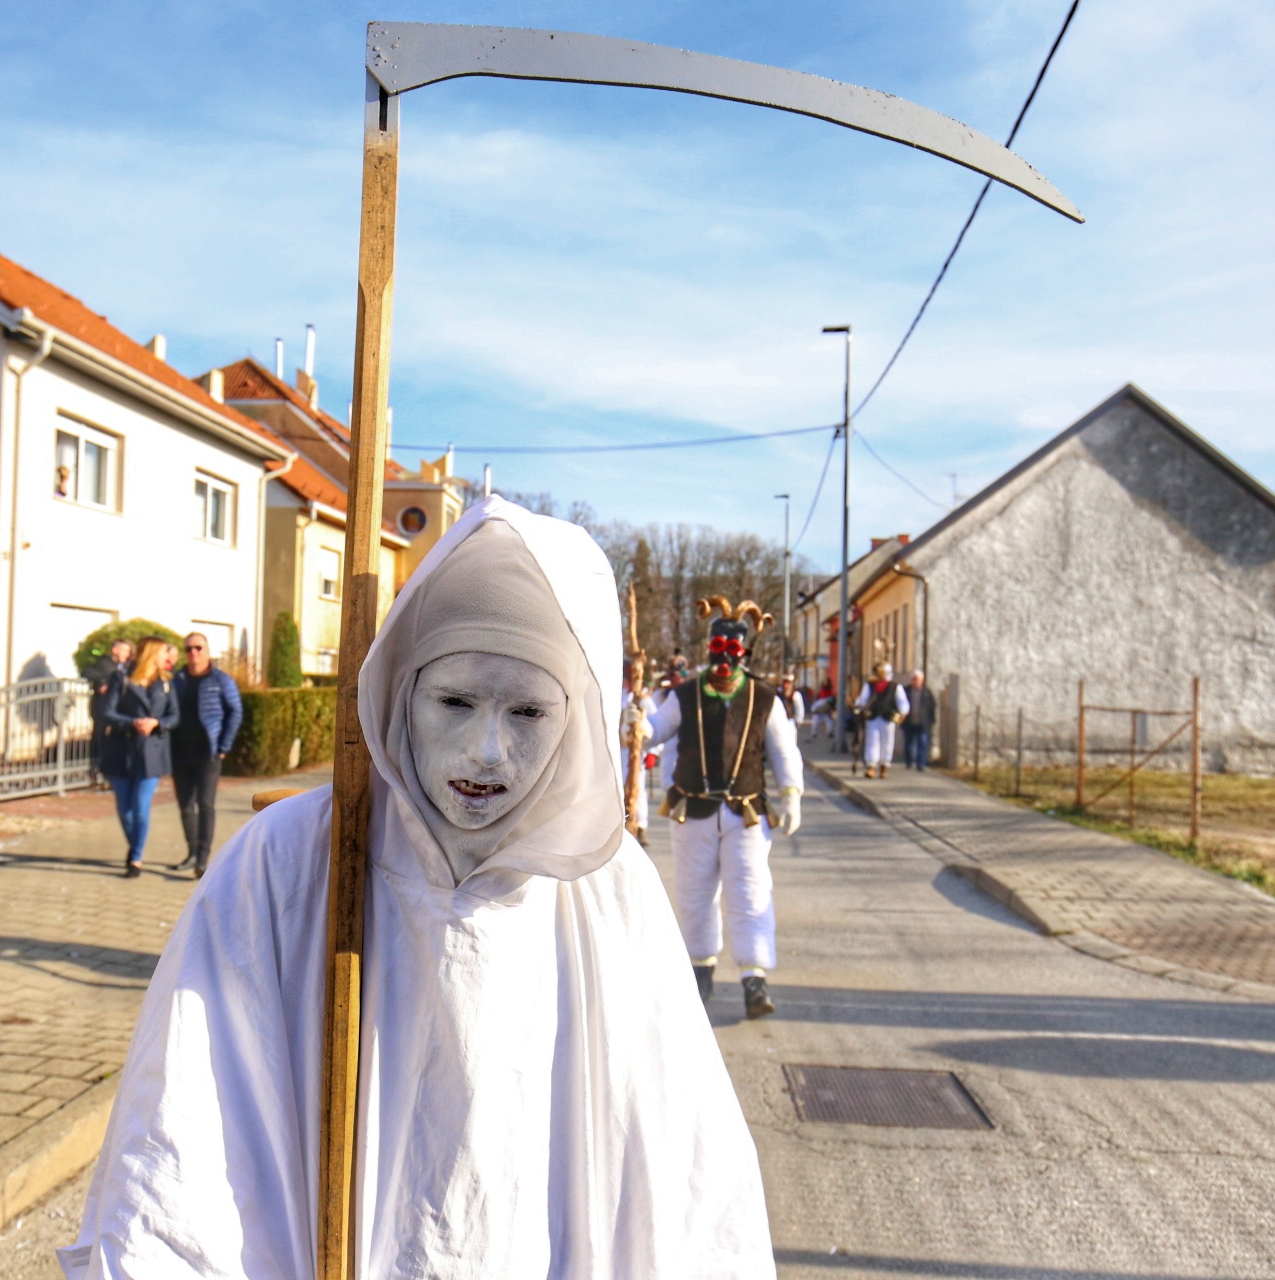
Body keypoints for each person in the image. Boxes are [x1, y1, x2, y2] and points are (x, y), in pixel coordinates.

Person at [65, 497, 773, 1278]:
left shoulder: (609, 895)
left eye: (529, 711)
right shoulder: (292, 862)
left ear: (573, 720)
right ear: (404, 694)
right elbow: (181, 1139)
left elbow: (688, 1183)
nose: (488, 752)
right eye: (456, 702)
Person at [645, 598, 803, 1019]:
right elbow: (655, 731)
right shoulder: (685, 695)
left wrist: (791, 792)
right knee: (694, 892)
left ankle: (754, 977)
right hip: (693, 810)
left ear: (744, 653)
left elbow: (783, 749)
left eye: (732, 651)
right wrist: (636, 724)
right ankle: (701, 968)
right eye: (717, 648)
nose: (724, 658)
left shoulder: (765, 698)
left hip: (745, 814)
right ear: (708, 649)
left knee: (750, 891)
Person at [97, 639, 177, 878]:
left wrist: (157, 723)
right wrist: (132, 722)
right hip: (122, 750)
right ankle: (135, 844)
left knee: (141, 808)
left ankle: (136, 856)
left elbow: (174, 715)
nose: (169, 657)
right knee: (125, 810)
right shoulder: (120, 679)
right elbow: (106, 712)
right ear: (151, 654)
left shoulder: (164, 682)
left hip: (151, 752)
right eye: (164, 652)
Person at [169, 633, 242, 877]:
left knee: (206, 804)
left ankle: (202, 859)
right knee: (185, 806)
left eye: (198, 648)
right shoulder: (177, 679)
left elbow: (235, 711)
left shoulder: (220, 679)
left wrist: (223, 747)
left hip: (208, 753)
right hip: (180, 752)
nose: (194, 653)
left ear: (208, 650)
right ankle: (191, 853)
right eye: (188, 649)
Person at [86, 638, 134, 784]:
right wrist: (101, 682)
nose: (127, 654)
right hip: (102, 708)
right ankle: (97, 771)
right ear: (115, 650)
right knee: (100, 739)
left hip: (117, 710)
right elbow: (86, 671)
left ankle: (108, 772)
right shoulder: (105, 664)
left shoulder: (125, 666)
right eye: (125, 650)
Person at [853, 661, 909, 780]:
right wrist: (858, 705)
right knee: (872, 741)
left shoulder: (895, 687)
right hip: (873, 716)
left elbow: (902, 701)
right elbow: (863, 699)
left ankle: (884, 766)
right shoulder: (870, 685)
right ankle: (871, 766)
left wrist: (903, 712)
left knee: (887, 742)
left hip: (888, 718)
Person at [620, 657, 656, 833]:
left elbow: (655, 725)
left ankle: (640, 824)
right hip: (618, 748)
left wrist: (653, 753)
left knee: (637, 787)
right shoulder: (615, 696)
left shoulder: (644, 700)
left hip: (636, 750)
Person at [903, 669, 936, 770]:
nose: (916, 681)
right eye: (914, 679)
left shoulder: (927, 692)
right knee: (908, 743)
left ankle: (920, 764)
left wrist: (932, 720)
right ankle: (908, 762)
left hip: (923, 723)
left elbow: (932, 706)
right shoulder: (906, 691)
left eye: (918, 679)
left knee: (922, 743)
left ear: (922, 680)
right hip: (909, 722)